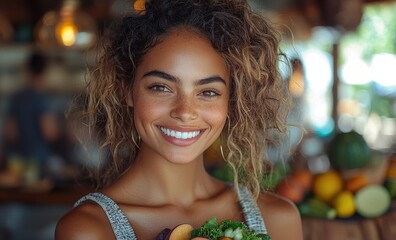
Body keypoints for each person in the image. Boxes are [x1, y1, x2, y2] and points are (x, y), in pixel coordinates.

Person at [55, 0, 303, 239]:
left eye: (208, 92)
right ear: (127, 91)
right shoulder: (89, 230)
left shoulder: (278, 219)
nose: (185, 112)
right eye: (161, 87)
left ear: (231, 100)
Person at [5, 52, 59, 179]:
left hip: (20, 162)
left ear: (27, 70)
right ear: (45, 71)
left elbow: (11, 134)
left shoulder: (16, 98)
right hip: (40, 162)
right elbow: (49, 133)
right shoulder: (41, 99)